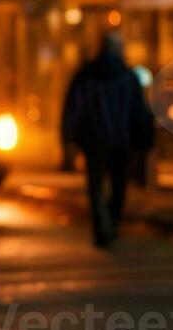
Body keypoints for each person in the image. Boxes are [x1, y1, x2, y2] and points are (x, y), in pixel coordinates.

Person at [61, 33, 153, 247]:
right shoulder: (128, 77)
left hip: (94, 141)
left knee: (95, 187)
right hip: (121, 140)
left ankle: (102, 226)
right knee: (118, 185)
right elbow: (137, 112)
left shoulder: (86, 74)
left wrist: (68, 138)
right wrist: (144, 139)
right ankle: (111, 222)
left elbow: (72, 109)